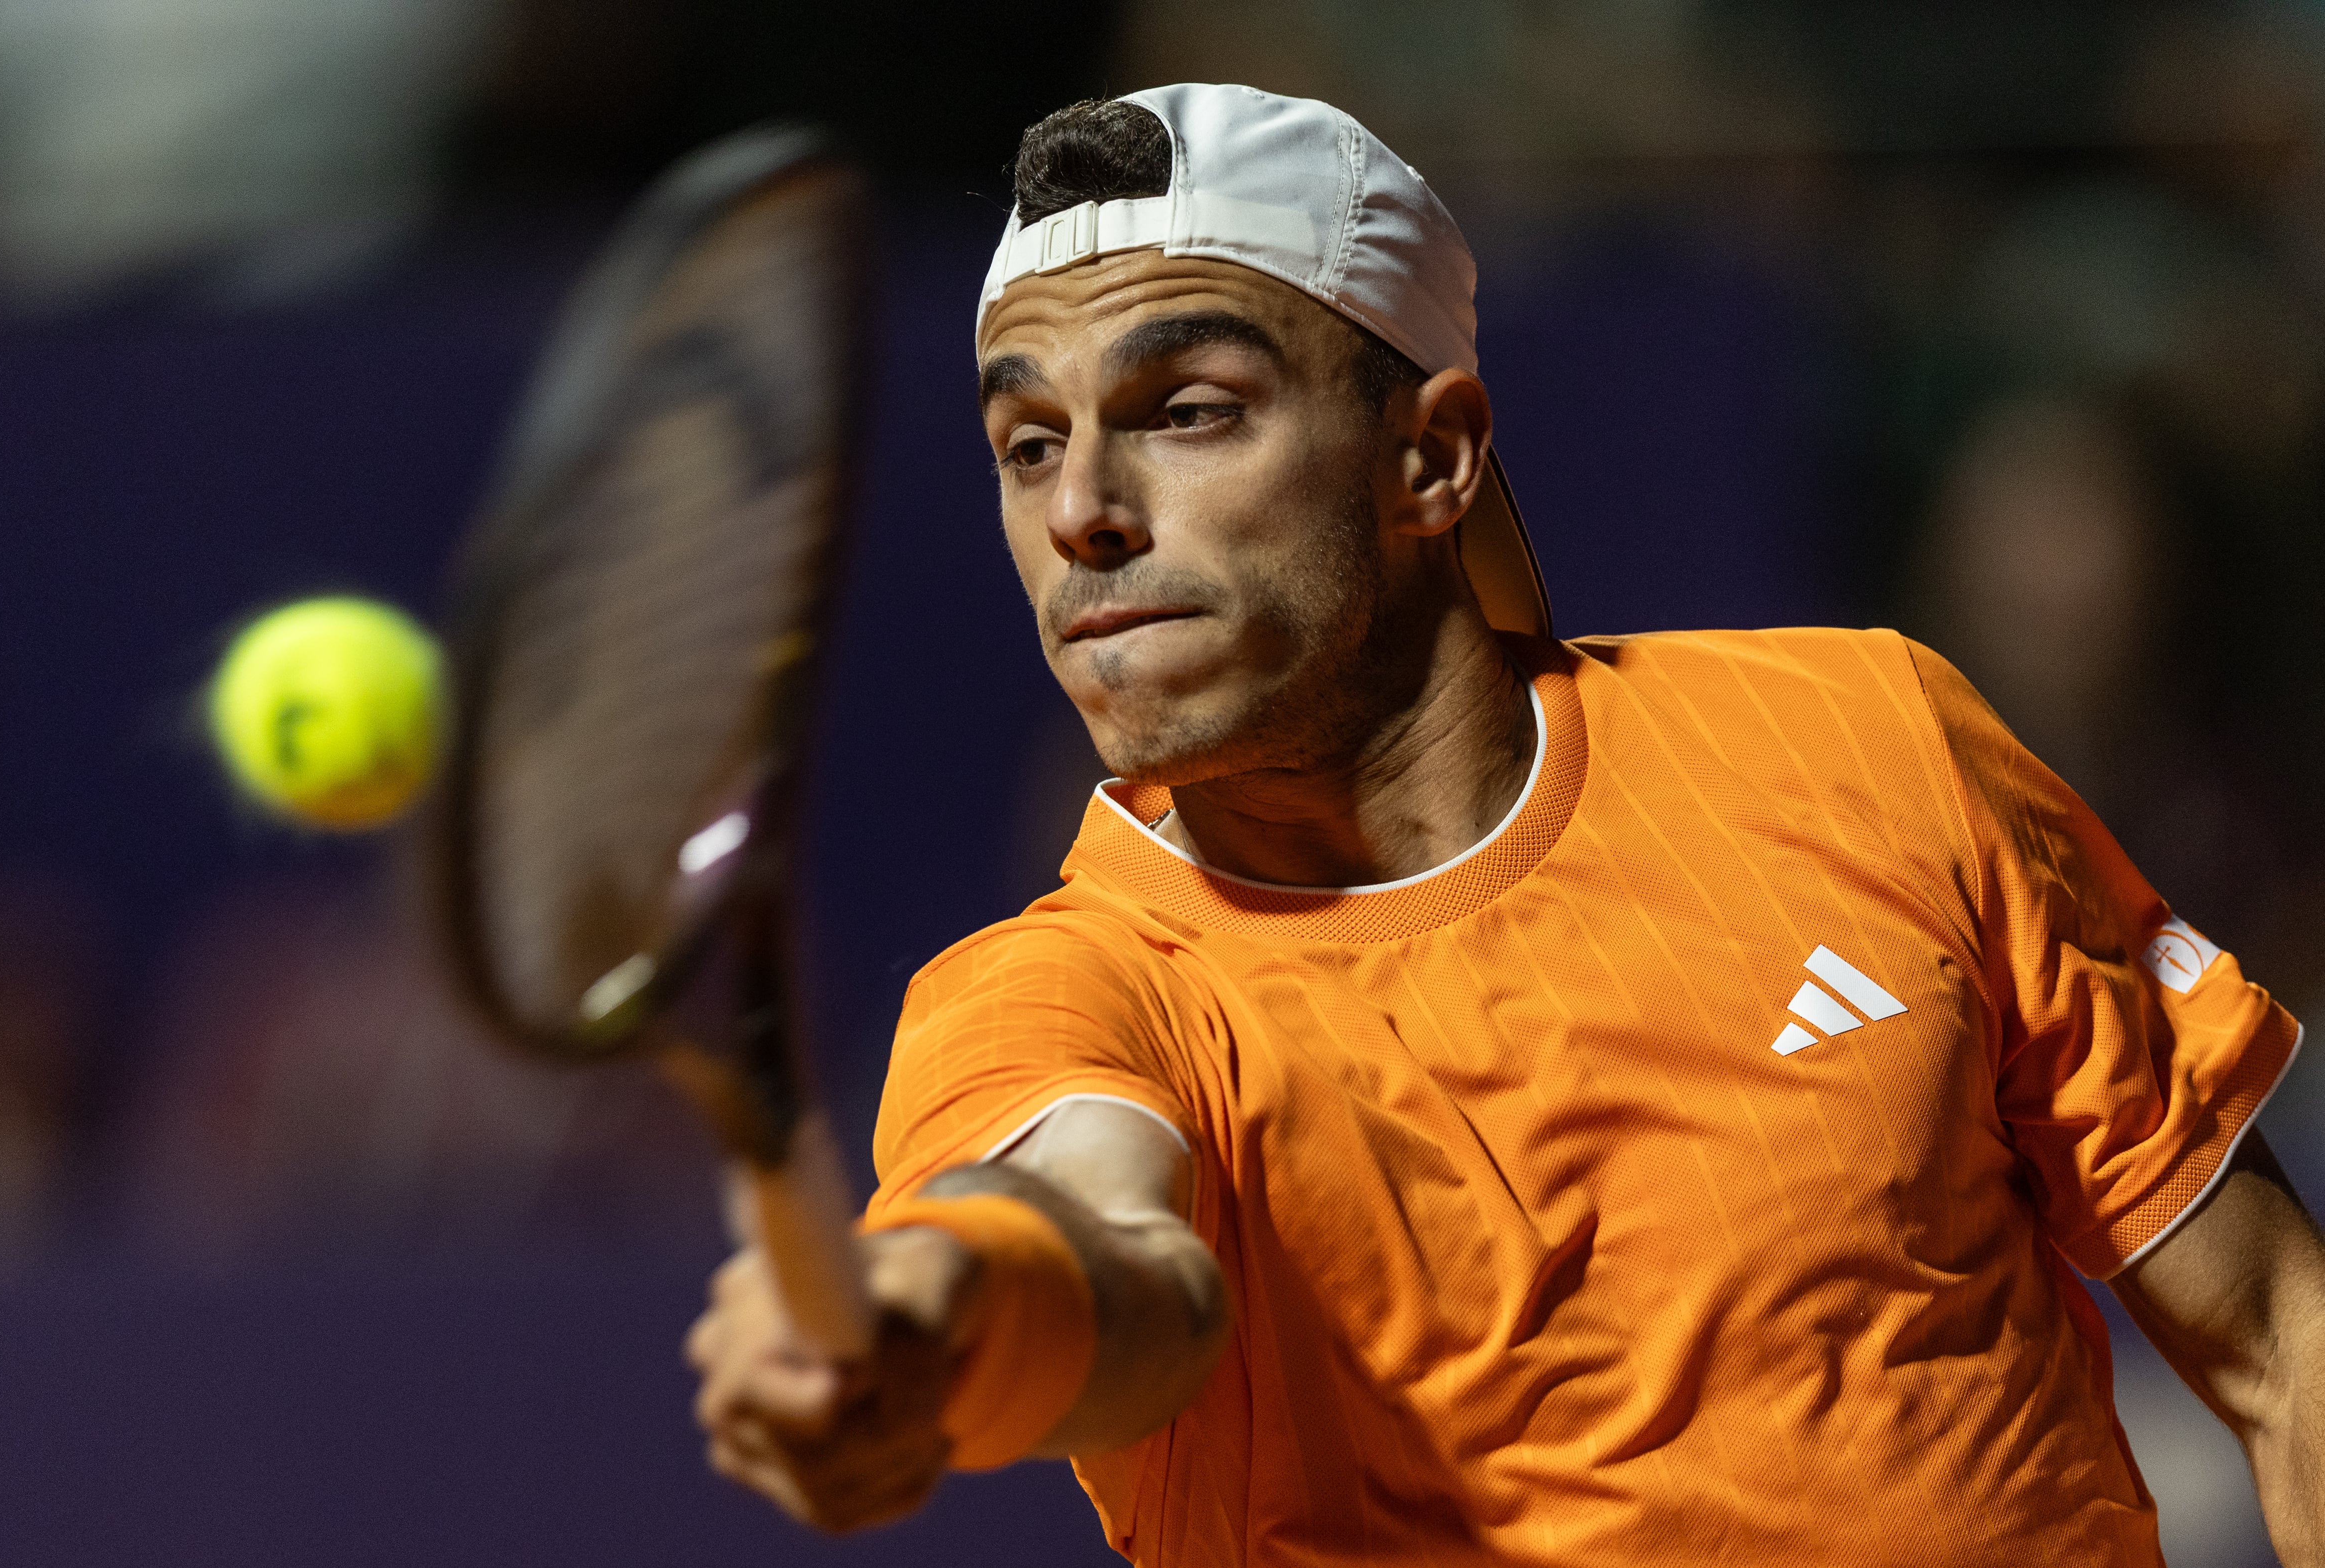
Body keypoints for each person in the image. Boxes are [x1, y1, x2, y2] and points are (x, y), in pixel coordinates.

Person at [685, 85, 2324, 1565]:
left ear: (1435, 457)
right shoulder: (1054, 995)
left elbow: (2275, 1330)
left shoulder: (1871, 735)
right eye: (1027, 442)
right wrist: (945, 1309)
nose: (1080, 513)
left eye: (1186, 410)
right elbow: (1111, 1258)